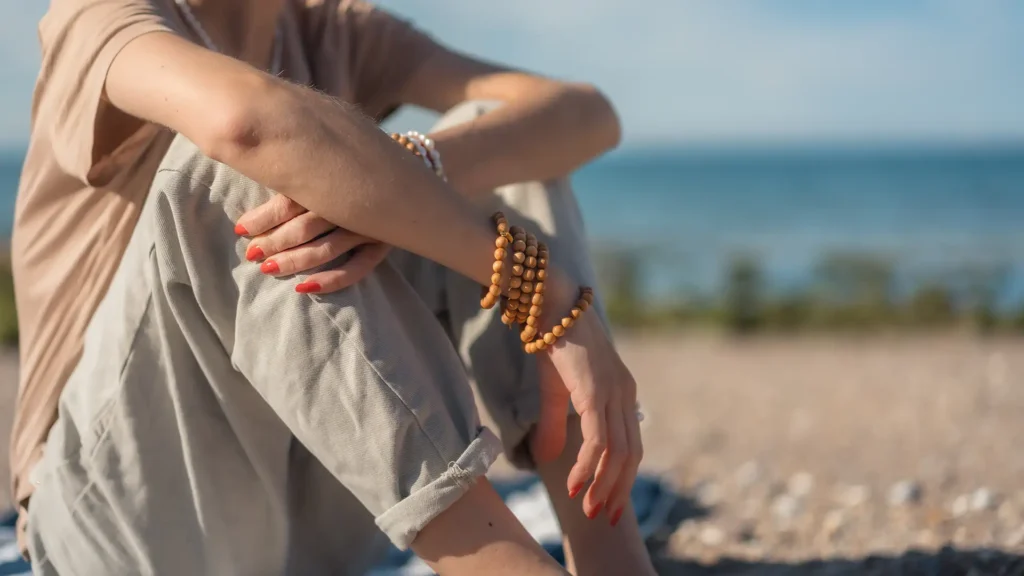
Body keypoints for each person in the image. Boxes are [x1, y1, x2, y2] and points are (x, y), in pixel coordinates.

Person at [11, 0, 654, 574]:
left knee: (497, 137)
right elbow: (247, 125)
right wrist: (533, 287)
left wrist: (422, 166)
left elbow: (584, 112)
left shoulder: (330, 27)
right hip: (124, 518)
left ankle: (611, 558)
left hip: (327, 519)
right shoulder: (99, 14)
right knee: (248, 166)